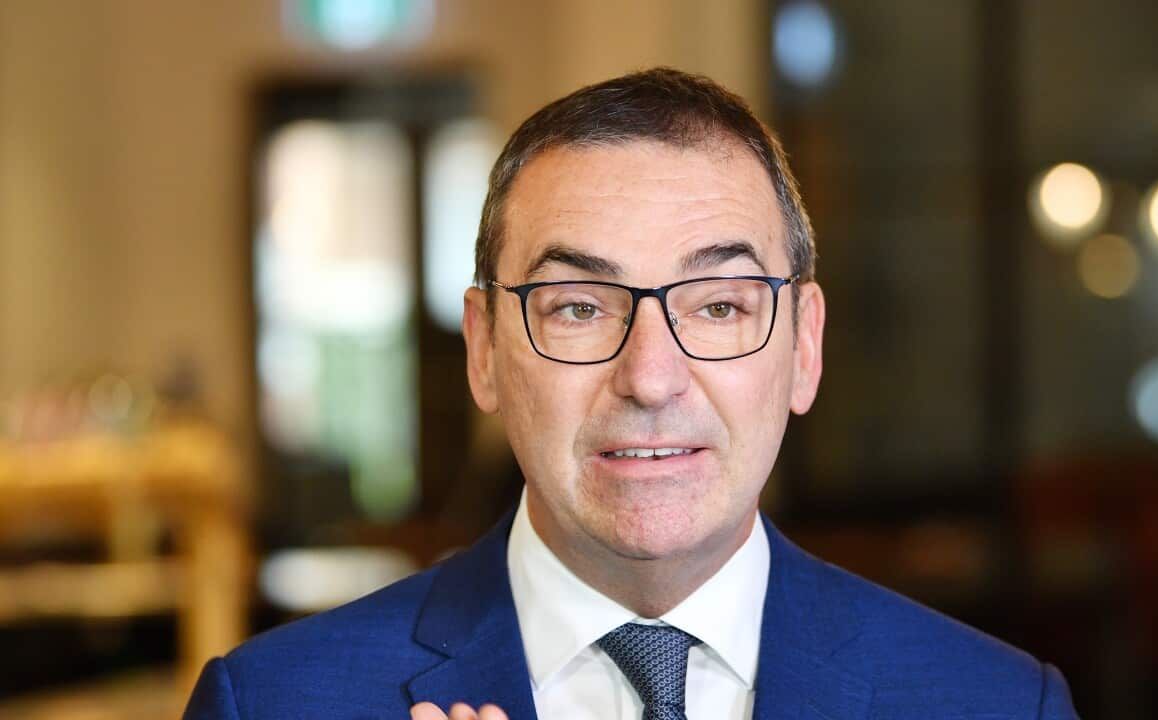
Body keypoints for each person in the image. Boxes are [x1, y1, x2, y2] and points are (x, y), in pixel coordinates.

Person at [184, 68, 1078, 720]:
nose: (650, 378)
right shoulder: (273, 703)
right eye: (578, 307)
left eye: (719, 305)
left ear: (804, 347)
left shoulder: (995, 703)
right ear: (485, 350)